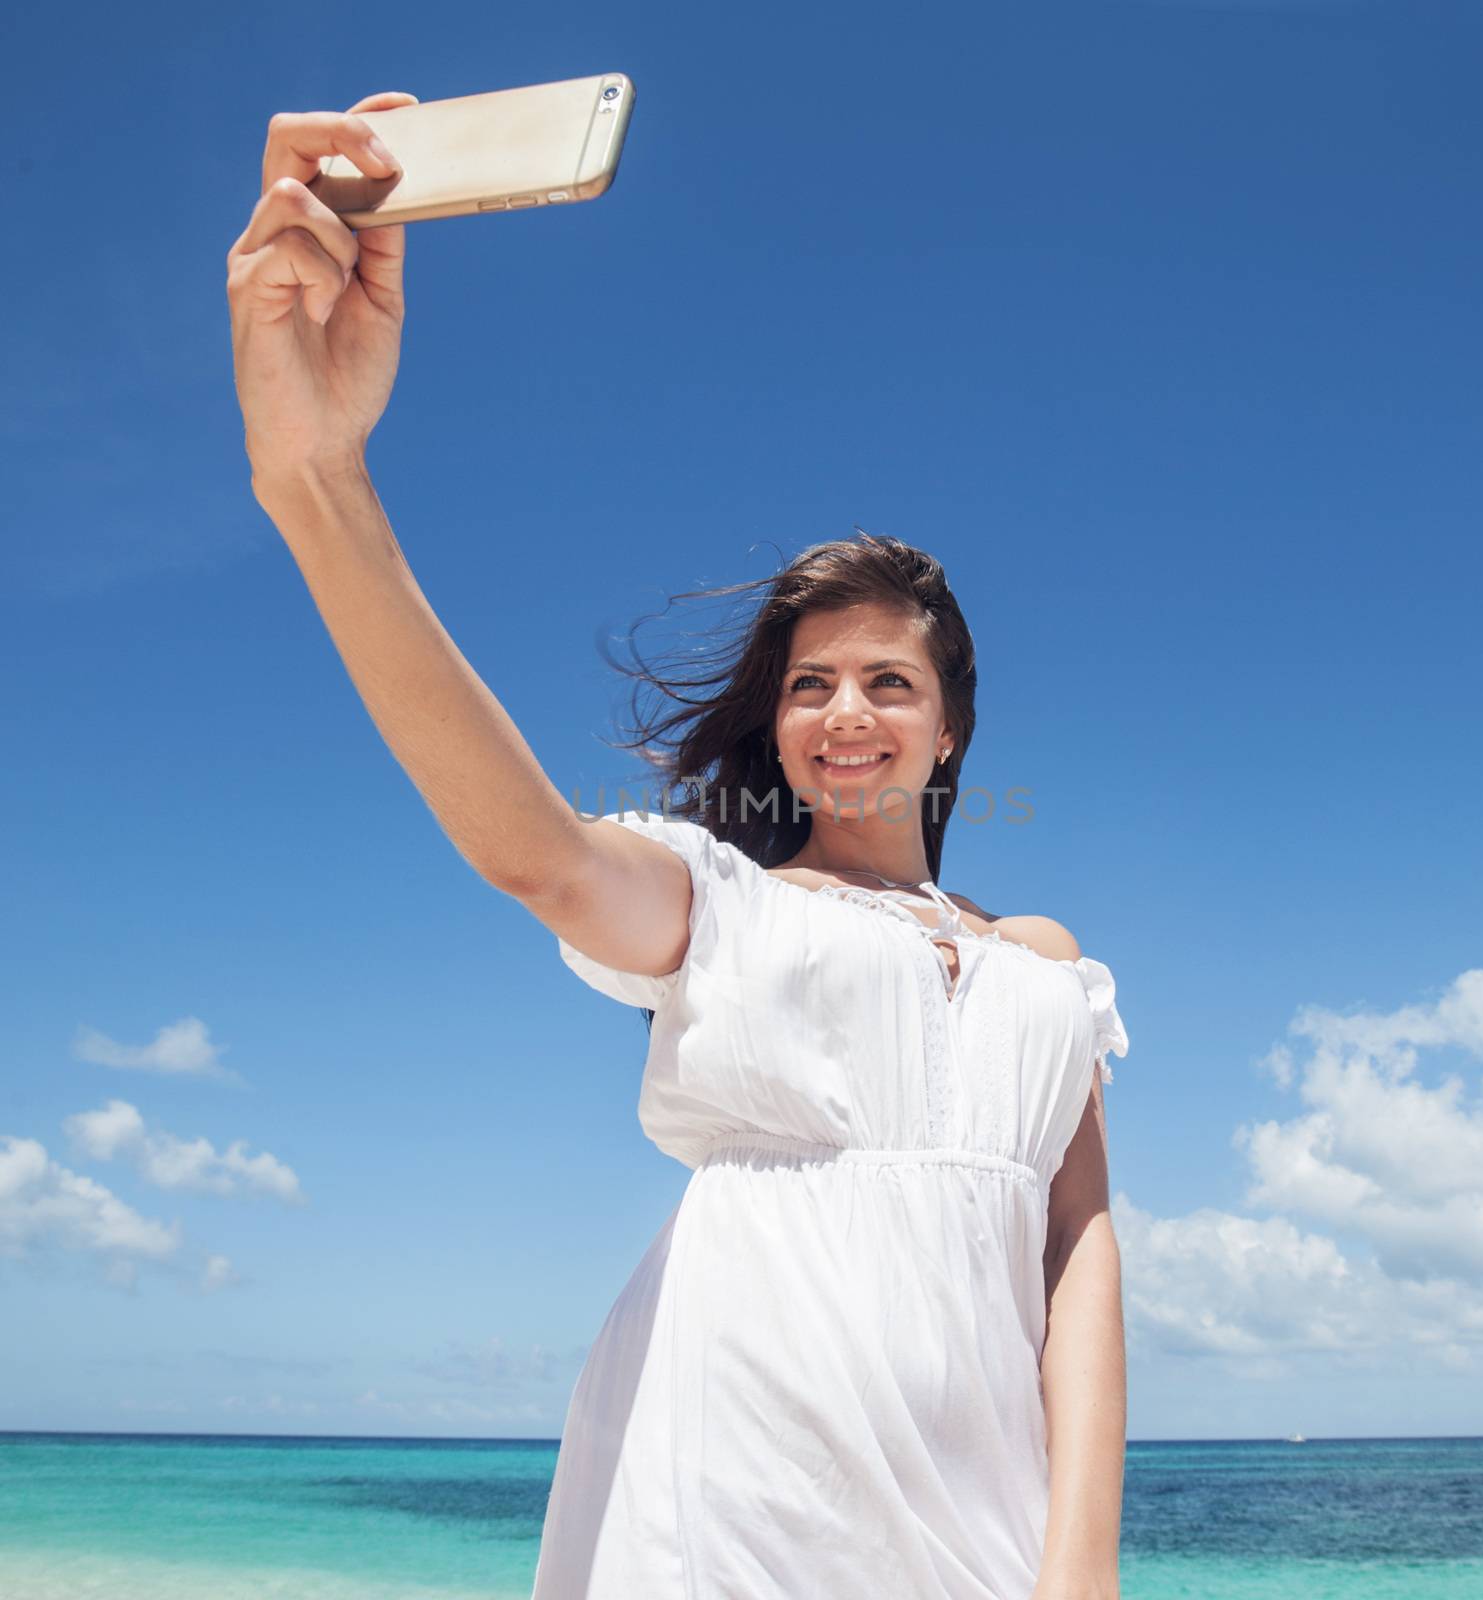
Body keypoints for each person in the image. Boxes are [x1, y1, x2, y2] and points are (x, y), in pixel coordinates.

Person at [227, 93, 1131, 1600]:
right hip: (734, 1512)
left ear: (951, 728)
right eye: (809, 684)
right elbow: (538, 855)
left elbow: (1079, 1265)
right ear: (777, 726)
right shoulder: (722, 906)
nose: (846, 714)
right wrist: (314, 481)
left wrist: (1078, 1567)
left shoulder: (1043, 966)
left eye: (889, 681)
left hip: (989, 1535)